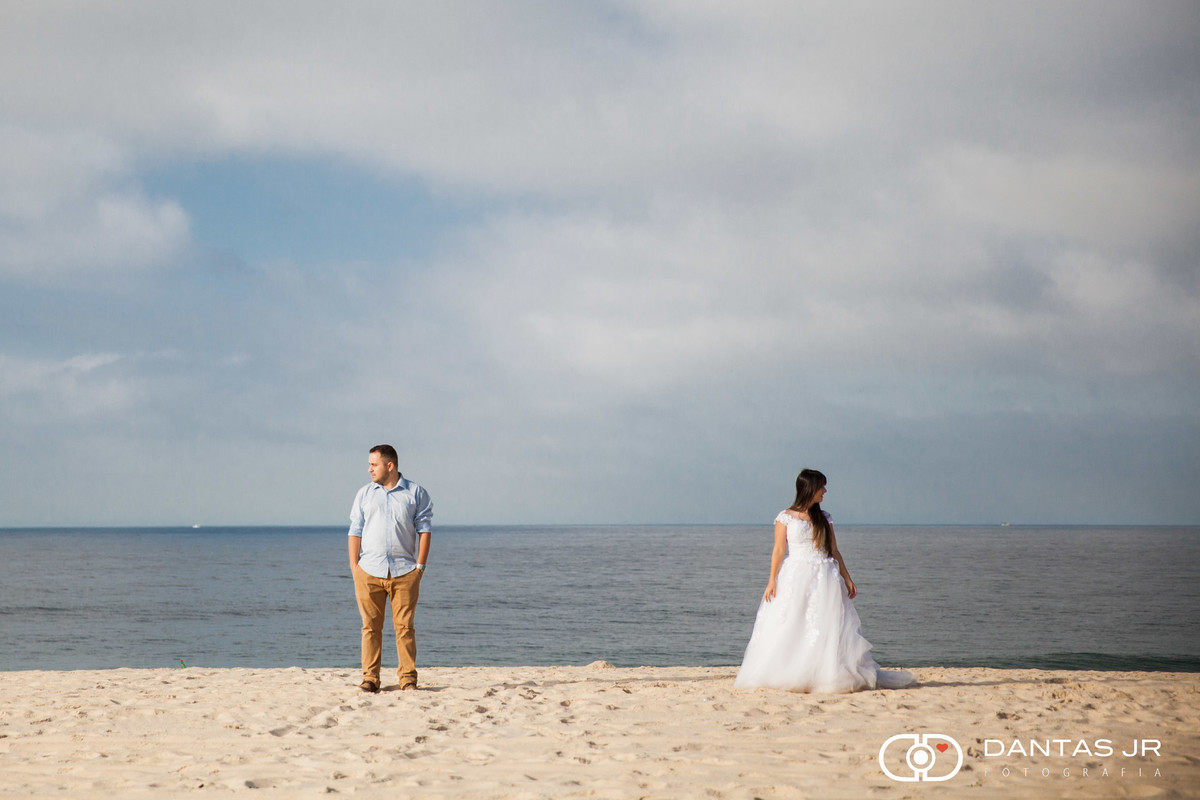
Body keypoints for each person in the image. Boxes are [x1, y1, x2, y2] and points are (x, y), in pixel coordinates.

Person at [734, 469, 913, 692]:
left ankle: (822, 673)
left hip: (824, 577)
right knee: (792, 621)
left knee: (824, 625)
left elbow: (834, 551)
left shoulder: (824, 517)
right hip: (796, 575)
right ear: (809, 488)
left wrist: (847, 578)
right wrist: (772, 580)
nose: (825, 491)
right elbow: (779, 550)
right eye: (821, 487)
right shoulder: (785, 517)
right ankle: (789, 671)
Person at [348, 444, 433, 693]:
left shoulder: (416, 493)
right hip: (368, 571)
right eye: (369, 464)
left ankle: (408, 679)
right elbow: (355, 530)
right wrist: (355, 568)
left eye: (373, 465)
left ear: (390, 466)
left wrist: (420, 567)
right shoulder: (364, 494)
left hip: (405, 571)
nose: (369, 469)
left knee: (405, 628)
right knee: (370, 628)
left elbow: (425, 530)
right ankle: (370, 679)